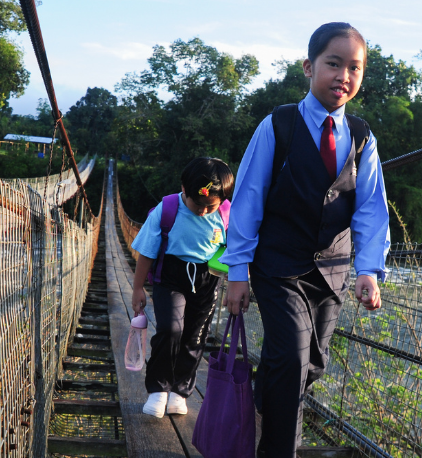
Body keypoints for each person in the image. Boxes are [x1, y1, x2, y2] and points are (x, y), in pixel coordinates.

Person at [219, 22, 391, 457]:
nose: (343, 77)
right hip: (278, 267)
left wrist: (369, 269)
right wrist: (237, 273)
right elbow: (247, 201)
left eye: (355, 68)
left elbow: (370, 206)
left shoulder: (362, 136)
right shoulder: (278, 125)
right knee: (293, 360)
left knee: (311, 365)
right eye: (333, 64)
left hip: (332, 270)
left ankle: (265, 399)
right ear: (308, 67)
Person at [130, 157, 235, 418]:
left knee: (195, 336)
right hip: (171, 277)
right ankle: (158, 389)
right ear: (184, 190)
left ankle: (179, 391)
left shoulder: (225, 213)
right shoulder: (167, 209)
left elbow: (236, 251)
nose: (202, 211)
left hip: (207, 279)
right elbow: (146, 252)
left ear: (221, 199)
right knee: (170, 329)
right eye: (197, 204)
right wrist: (137, 288)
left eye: (209, 206)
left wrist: (234, 284)